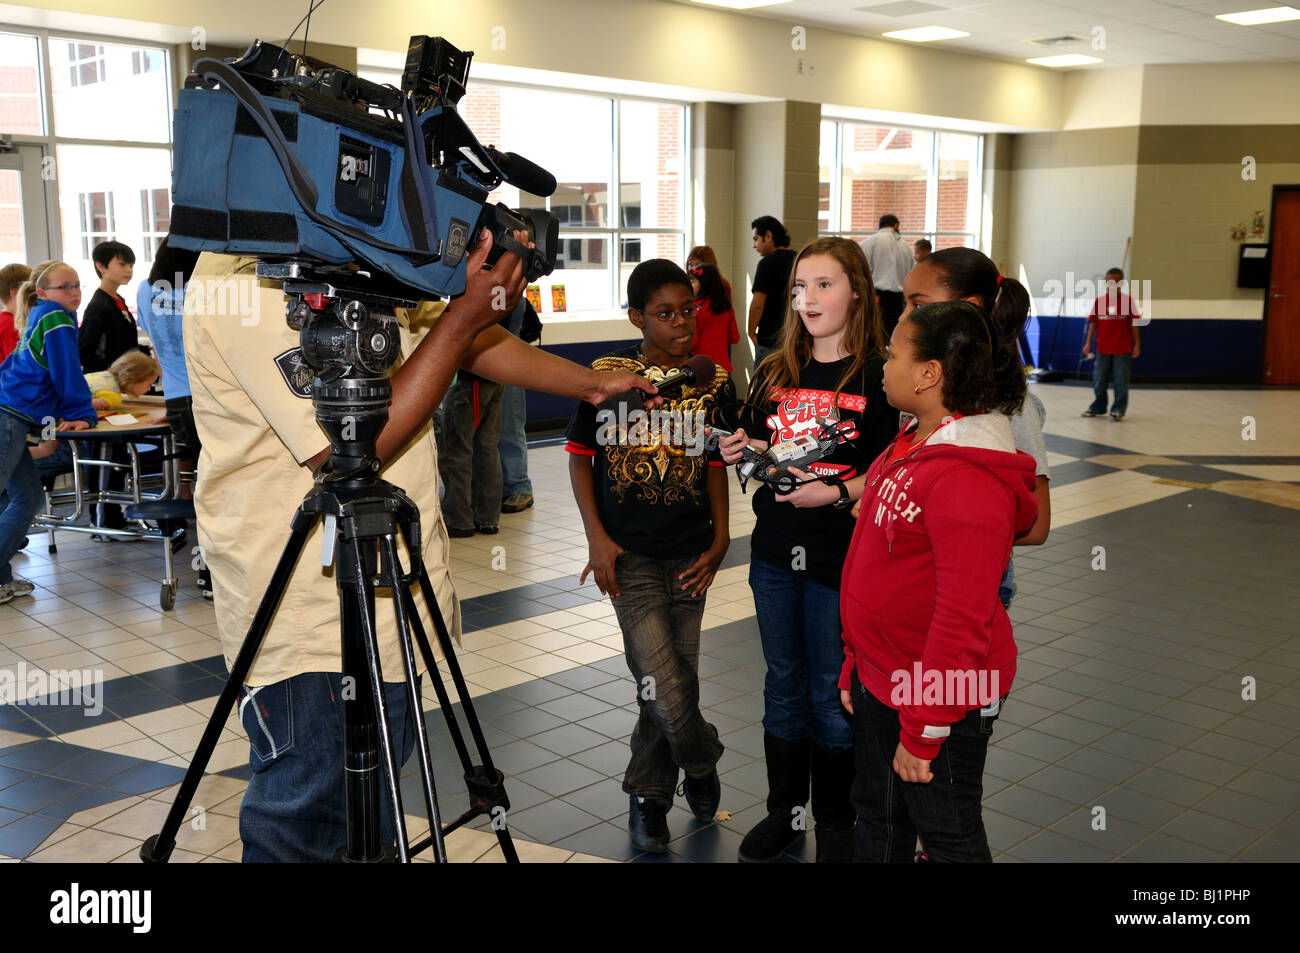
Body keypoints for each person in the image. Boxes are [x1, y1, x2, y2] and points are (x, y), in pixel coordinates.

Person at [185, 231, 656, 862]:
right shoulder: (247, 281)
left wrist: (592, 386)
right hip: (308, 617)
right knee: (309, 829)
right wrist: (462, 317)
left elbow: (469, 342)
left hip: (391, 598)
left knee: (373, 818)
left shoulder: (356, 255)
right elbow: (352, 448)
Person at [717, 237, 898, 863]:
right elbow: (754, 442)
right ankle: (785, 814)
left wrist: (839, 492)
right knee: (783, 685)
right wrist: (738, 449)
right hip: (773, 555)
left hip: (841, 560)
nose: (807, 299)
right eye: (800, 287)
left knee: (829, 690)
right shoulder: (774, 370)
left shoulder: (880, 376)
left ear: (858, 294)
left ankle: (837, 825)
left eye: (824, 285)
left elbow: (894, 469)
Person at [839, 299, 1038, 863]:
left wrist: (926, 729)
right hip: (885, 672)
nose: (883, 364)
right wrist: (857, 659)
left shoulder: (968, 480)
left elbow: (961, 620)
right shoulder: (913, 441)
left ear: (928, 373)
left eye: (892, 354)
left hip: (940, 696)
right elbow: (875, 566)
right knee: (878, 813)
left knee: (947, 832)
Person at [566, 258, 735, 854]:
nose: (682, 323)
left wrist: (721, 538)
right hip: (630, 556)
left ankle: (650, 797)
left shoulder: (713, 381)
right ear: (637, 317)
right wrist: (596, 538)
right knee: (663, 687)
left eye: (688, 310)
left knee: (668, 686)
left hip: (691, 555)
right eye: (665, 314)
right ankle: (703, 759)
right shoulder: (606, 378)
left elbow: (714, 460)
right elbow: (579, 456)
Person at [892, 247, 1051, 609]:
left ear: (968, 307)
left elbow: (1037, 525)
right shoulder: (922, 388)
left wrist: (925, 532)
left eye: (918, 305)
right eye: (905, 304)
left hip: (972, 586)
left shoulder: (1008, 404)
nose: (904, 317)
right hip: (915, 579)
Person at [0, 261, 97, 606]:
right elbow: (66, 373)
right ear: (42, 292)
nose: (74, 292)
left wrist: (53, 426)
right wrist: (83, 414)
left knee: (27, 498)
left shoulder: (45, 313)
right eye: (65, 287)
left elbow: (39, 378)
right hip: (9, 416)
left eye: (77, 285)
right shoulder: (55, 317)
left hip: (15, 414)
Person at [439, 352, 506, 537]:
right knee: (487, 448)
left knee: (457, 449)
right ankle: (487, 518)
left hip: (471, 378)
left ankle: (458, 519)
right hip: (495, 376)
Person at [1081, 267, 1142, 421]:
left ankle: (1118, 409)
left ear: (1122, 283)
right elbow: (1094, 323)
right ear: (1105, 283)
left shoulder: (1128, 301)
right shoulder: (1100, 301)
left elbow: (1134, 323)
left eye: (1116, 282)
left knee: (1121, 381)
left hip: (1122, 349)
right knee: (1099, 379)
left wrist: (1137, 344)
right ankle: (1098, 407)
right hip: (1102, 349)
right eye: (1110, 282)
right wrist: (1088, 343)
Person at [499, 297, 540, 514]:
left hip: (506, 361)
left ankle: (519, 486)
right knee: (496, 428)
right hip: (499, 360)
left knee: (510, 423)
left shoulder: (508, 294)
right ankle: (502, 485)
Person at [78, 240, 139, 373]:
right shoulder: (98, 306)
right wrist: (111, 371)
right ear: (101, 266)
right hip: (109, 379)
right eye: (122, 264)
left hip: (125, 375)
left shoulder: (118, 300)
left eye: (131, 265)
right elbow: (85, 351)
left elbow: (123, 343)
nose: (129, 270)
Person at [748, 216, 796, 368]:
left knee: (764, 382)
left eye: (756, 239)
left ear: (768, 236)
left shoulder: (766, 264)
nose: (754, 245)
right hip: (795, 339)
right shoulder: (798, 259)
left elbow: (758, 303)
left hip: (770, 342)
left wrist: (751, 331)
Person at [859, 214, 913, 338]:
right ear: (896, 225)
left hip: (877, 296)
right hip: (899, 299)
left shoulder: (870, 242)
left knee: (875, 332)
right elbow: (911, 273)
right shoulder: (906, 247)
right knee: (893, 333)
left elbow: (861, 270)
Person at [688, 262, 739, 372]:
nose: (690, 286)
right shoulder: (726, 307)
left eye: (693, 282)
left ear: (704, 284)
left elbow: (692, 343)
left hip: (701, 368)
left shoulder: (696, 309)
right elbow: (734, 337)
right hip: (723, 368)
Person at [0, 263, 32, 363]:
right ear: (15, 294)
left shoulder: (4, 320)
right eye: (30, 291)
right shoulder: (11, 325)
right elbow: (18, 364)